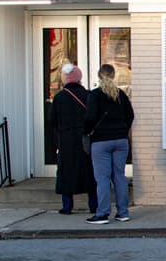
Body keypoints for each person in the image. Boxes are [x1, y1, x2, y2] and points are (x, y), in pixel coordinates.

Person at [83, 63, 134, 224]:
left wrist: (88, 131)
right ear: (113, 76)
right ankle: (122, 212)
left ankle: (103, 213)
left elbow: (90, 118)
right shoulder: (121, 94)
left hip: (101, 140)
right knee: (119, 176)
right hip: (120, 139)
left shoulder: (95, 95)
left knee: (103, 178)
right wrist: (123, 129)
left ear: (99, 76)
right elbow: (130, 115)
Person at [51, 62, 96, 215]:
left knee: (66, 172)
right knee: (89, 172)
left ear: (66, 79)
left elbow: (52, 121)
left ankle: (67, 206)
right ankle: (93, 205)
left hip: (66, 139)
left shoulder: (59, 98)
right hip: (86, 139)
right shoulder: (89, 95)